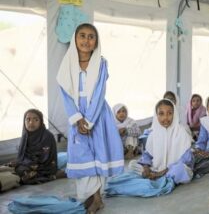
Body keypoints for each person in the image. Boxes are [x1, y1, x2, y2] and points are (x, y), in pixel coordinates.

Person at [57, 23, 124, 213]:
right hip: (76, 115)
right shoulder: (67, 63)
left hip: (97, 115)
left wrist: (90, 120)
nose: (86, 40)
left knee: (99, 154)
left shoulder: (101, 63)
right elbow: (65, 93)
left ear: (96, 41)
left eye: (91, 37)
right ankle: (88, 195)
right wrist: (78, 119)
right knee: (83, 155)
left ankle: (97, 198)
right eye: (82, 36)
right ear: (75, 39)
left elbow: (99, 93)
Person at [128, 99, 194, 184]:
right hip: (156, 168)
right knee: (132, 164)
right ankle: (155, 175)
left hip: (173, 169)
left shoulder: (181, 132)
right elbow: (148, 154)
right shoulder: (153, 134)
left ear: (174, 115)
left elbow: (186, 159)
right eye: (161, 114)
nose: (165, 118)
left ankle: (160, 176)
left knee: (181, 170)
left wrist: (163, 172)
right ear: (156, 115)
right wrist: (146, 167)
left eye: (169, 113)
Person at [14, 109, 58, 185]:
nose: (31, 122)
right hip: (28, 165)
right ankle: (29, 175)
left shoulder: (47, 136)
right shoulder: (25, 136)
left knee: (25, 175)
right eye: (28, 119)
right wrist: (23, 163)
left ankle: (52, 176)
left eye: (36, 120)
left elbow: (46, 159)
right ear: (24, 122)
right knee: (17, 169)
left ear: (41, 122)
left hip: (44, 166)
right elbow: (21, 157)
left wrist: (29, 164)